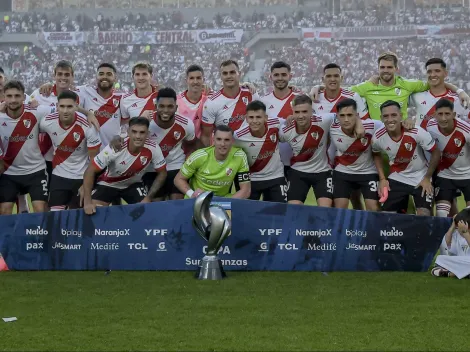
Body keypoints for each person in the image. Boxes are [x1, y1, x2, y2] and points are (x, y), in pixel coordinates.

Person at [310, 52, 470, 120]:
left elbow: (436, 81)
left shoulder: (407, 84)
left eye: (389, 67)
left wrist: (460, 91)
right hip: (377, 138)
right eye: (382, 67)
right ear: (378, 69)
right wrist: (319, 87)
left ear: (396, 69)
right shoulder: (367, 86)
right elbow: (340, 89)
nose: (385, 70)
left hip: (402, 136)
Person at [82, 116, 167, 215]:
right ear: (128, 132)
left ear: (147, 133)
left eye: (142, 132)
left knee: (145, 211)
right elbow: (90, 170)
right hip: (108, 184)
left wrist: (148, 197)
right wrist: (87, 202)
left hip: (132, 185)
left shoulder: (153, 148)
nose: (138, 136)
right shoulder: (115, 147)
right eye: (134, 132)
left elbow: (162, 173)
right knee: (94, 212)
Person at [372, 100, 440, 216]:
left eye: (394, 115)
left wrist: (428, 177)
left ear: (401, 116)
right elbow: (376, 153)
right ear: (381, 118)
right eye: (386, 116)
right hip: (398, 177)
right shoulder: (377, 137)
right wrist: (382, 179)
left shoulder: (416, 131)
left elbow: (436, 152)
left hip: (421, 176)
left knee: (424, 215)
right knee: (387, 216)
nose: (390, 119)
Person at [39, 90, 101, 211]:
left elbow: (95, 161)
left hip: (82, 176)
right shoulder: (46, 122)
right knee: (56, 216)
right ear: (57, 106)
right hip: (59, 175)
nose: (65, 111)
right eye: (62, 106)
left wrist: (86, 186)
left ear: (76, 107)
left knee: (80, 217)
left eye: (69, 106)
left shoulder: (88, 126)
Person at [0, 80, 54, 214]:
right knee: (5, 211)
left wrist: (89, 114)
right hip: (9, 173)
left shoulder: (37, 112)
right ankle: (9, 236)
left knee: (41, 209)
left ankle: (40, 235)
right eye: (9, 96)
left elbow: (64, 108)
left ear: (24, 97)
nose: (13, 100)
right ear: (4, 97)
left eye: (17, 96)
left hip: (35, 171)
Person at [279, 94, 336, 207]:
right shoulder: (284, 131)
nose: (301, 116)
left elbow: (345, 116)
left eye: (305, 111)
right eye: (297, 112)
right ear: (292, 112)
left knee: (325, 209)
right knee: (293, 210)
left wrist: (359, 124)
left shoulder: (324, 120)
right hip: (298, 172)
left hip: (323, 172)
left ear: (311, 111)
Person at [145, 87, 199, 201]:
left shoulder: (186, 124)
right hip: (152, 169)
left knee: (176, 203)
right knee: (156, 204)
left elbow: (192, 144)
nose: (166, 110)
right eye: (162, 106)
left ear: (176, 107)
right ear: (155, 107)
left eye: (170, 106)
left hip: (176, 166)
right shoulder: (146, 125)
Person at [330, 98, 382, 211]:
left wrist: (406, 122)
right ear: (337, 116)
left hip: (367, 172)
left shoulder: (372, 126)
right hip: (343, 172)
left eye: (350, 115)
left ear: (357, 115)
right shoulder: (332, 127)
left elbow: (392, 125)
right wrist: (317, 87)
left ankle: (372, 228)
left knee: (373, 208)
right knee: (340, 208)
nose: (346, 119)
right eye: (342, 115)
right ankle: (348, 229)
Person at [174, 125, 251, 199]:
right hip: (197, 199)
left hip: (223, 200)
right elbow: (178, 179)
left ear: (232, 141)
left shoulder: (240, 156)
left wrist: (223, 203)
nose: (222, 144)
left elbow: (246, 190)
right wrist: (192, 194)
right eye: (219, 139)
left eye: (227, 140)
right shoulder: (199, 156)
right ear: (213, 139)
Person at [234, 100, 287, 203]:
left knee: (280, 213)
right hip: (251, 180)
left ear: (266, 118)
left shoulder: (276, 123)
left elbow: (293, 122)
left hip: (275, 177)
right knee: (249, 215)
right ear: (246, 118)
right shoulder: (238, 136)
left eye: (258, 117)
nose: (254, 121)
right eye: (251, 117)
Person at [200, 60, 260, 146]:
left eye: (232, 72)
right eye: (225, 73)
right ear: (220, 76)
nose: (228, 76)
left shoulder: (251, 94)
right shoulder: (211, 103)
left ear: (239, 73)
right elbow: (206, 136)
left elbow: (261, 122)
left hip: (252, 149)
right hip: (227, 153)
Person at [426, 99, 470, 217]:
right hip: (445, 175)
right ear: (435, 115)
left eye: (447, 114)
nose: (443, 118)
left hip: (467, 175)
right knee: (441, 213)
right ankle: (447, 235)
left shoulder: (466, 130)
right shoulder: (430, 126)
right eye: (440, 114)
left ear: (454, 115)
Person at [260, 61, 300, 169]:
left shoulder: (300, 98)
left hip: (296, 161)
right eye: (276, 75)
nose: (280, 78)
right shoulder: (263, 101)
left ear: (290, 76)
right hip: (271, 162)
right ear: (270, 77)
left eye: (284, 75)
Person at [410, 58, 470, 129]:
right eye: (429, 72)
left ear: (445, 73)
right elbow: (398, 104)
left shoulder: (457, 99)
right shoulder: (417, 95)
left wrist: (460, 91)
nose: (432, 74)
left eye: (437, 71)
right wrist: (407, 119)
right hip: (420, 140)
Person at [432, 208, 470, 279]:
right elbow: (446, 245)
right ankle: (464, 273)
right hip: (461, 262)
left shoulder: (464, 233)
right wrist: (452, 226)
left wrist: (465, 233)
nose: (458, 228)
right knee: (440, 258)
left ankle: (452, 273)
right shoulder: (458, 234)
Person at [176, 64, 209, 139]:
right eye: (191, 78)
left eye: (198, 78)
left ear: (203, 79)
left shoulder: (209, 101)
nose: (195, 81)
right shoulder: (176, 101)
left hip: (202, 148)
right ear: (186, 80)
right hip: (182, 147)